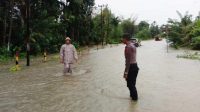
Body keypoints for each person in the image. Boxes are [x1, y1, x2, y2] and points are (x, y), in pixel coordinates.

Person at [122, 34, 139, 101]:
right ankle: (133, 99)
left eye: (122, 38)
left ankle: (135, 99)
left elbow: (128, 61)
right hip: (135, 66)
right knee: (132, 84)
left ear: (125, 39)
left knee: (130, 84)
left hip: (131, 67)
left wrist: (126, 72)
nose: (122, 40)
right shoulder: (133, 45)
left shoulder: (128, 47)